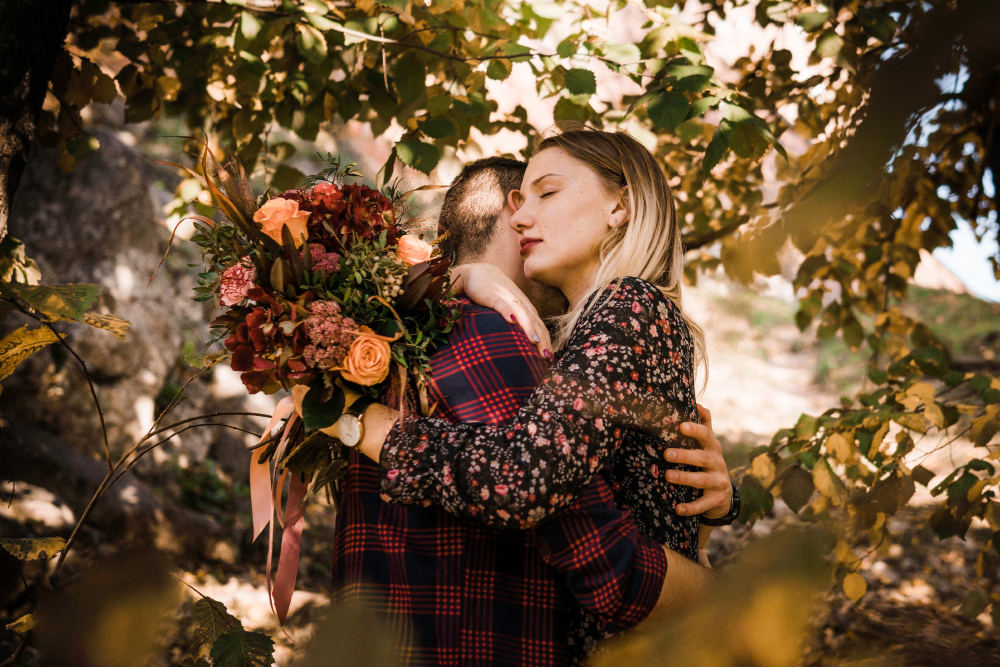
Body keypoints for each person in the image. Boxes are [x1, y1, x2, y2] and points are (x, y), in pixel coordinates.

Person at [330, 155, 729, 666]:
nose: (530, 220)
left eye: (551, 195)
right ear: (510, 212)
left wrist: (706, 504)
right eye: (528, 199)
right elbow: (604, 559)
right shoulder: (496, 336)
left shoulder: (376, 348)